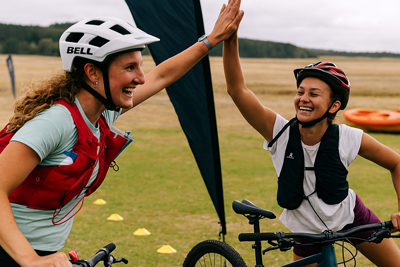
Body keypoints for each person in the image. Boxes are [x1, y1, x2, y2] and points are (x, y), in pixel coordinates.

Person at [0, 1, 244, 266]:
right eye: (130, 68)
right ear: (92, 72)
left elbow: (161, 75)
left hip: (41, 253)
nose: (140, 77)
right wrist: (30, 260)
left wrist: (212, 39)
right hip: (13, 253)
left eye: (140, 66)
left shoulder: (101, 112)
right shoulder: (56, 120)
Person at [223, 29, 400, 266]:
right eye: (300, 92)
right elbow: (237, 90)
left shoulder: (349, 137)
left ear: (334, 105)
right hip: (305, 232)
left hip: (352, 218)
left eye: (314, 94)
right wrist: (231, 38)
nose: (303, 98)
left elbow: (396, 163)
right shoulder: (279, 132)